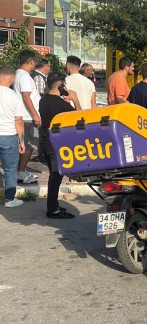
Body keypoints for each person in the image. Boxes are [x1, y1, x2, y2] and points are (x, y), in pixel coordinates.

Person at [39, 73, 81, 218]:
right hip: (56, 145)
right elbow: (80, 118)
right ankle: (52, 210)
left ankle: (54, 205)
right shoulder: (61, 104)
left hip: (46, 142)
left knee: (54, 174)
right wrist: (75, 100)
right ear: (61, 86)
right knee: (56, 175)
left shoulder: (43, 100)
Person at [0, 66, 27, 208]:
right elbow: (19, 121)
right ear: (12, 79)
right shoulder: (14, 96)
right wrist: (21, 141)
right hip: (9, 137)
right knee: (10, 170)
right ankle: (10, 200)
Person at [13, 50, 40, 184]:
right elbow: (26, 96)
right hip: (28, 117)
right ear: (31, 62)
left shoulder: (18, 74)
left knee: (24, 146)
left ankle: (20, 170)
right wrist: (35, 114)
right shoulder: (24, 77)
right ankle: (21, 173)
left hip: (24, 116)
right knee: (29, 147)